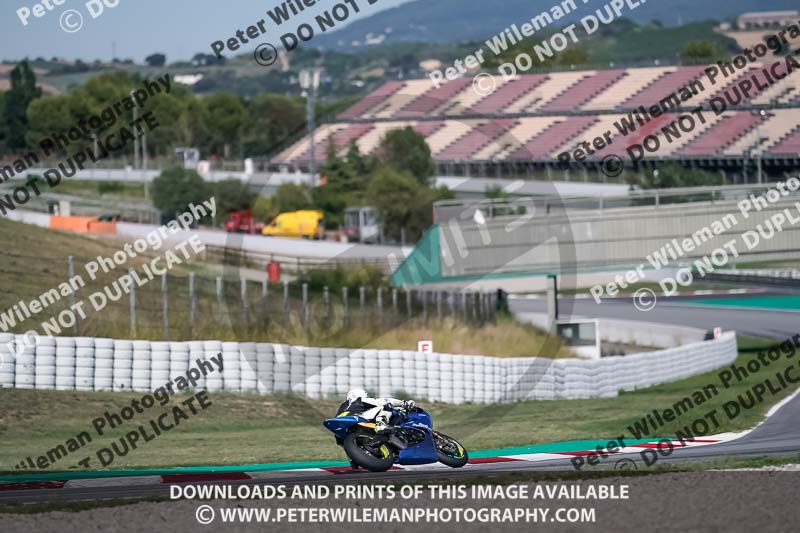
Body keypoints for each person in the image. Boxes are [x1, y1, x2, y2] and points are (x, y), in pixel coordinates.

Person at [336, 388, 416, 433]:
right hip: (356, 418)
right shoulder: (360, 400)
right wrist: (404, 403)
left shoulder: (343, 406)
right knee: (385, 406)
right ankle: (381, 424)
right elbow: (384, 401)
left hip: (342, 424)